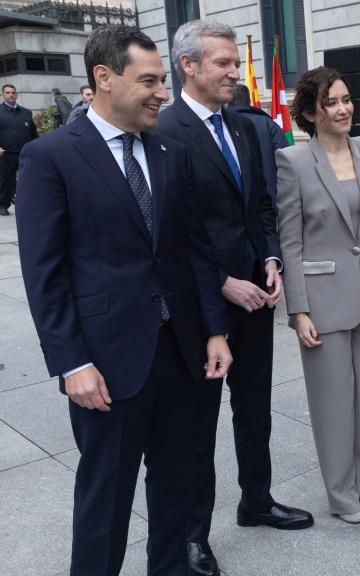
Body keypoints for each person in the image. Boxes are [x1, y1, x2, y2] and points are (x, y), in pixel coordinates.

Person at [16, 25, 232, 575]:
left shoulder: (170, 151)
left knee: (177, 485)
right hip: (106, 364)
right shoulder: (50, 157)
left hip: (182, 355)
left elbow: (195, 250)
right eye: (150, 80)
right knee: (105, 499)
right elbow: (46, 274)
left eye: (163, 80)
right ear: (103, 79)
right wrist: (72, 363)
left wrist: (214, 330)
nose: (163, 91)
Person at [153, 19, 313, 576]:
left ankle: (257, 500)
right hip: (203, 304)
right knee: (199, 424)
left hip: (257, 292)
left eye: (232, 62)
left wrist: (269, 259)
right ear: (188, 66)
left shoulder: (246, 127)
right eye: (221, 62)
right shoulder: (164, 131)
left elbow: (262, 207)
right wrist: (223, 282)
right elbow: (168, 231)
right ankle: (194, 535)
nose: (231, 71)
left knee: (256, 408)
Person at [276, 67, 360, 524]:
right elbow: (289, 242)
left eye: (347, 99)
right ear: (311, 113)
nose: (344, 108)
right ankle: (342, 493)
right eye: (332, 103)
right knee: (333, 401)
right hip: (322, 297)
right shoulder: (292, 162)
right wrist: (298, 309)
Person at [230, 83, 289, 201]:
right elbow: (286, 161)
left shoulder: (220, 123)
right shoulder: (268, 123)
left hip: (234, 203)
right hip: (269, 200)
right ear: (249, 100)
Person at [0, 83, 37, 215]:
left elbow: (33, 133)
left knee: (27, 179)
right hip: (6, 153)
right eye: (8, 92)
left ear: (16, 94)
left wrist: (35, 148)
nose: (11, 95)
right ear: (3, 94)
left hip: (24, 152)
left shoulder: (26, 112)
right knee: (5, 180)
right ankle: (3, 205)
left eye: (13, 92)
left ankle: (26, 203)